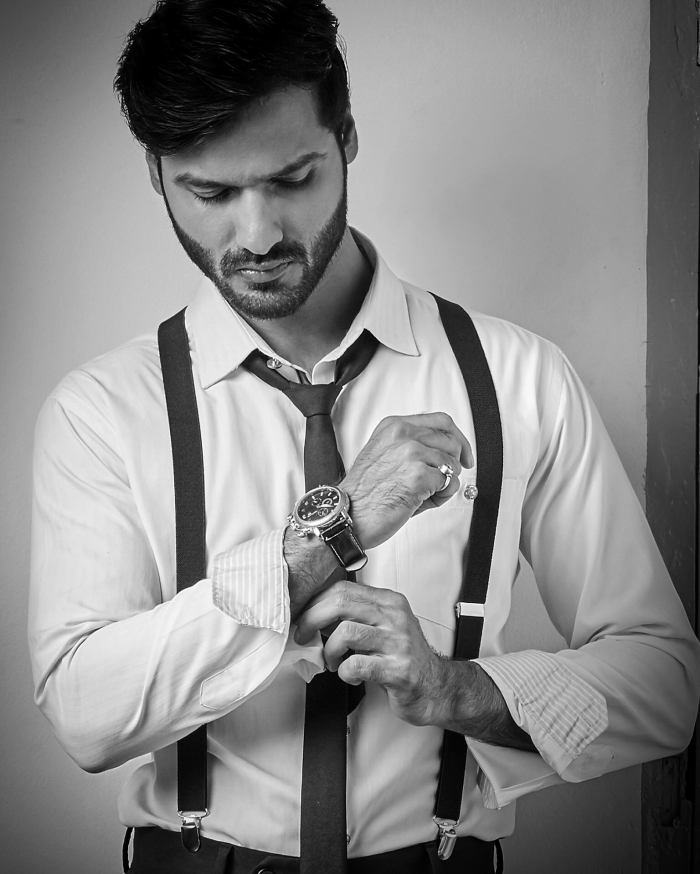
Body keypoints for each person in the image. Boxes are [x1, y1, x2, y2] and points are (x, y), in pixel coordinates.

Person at [28, 1, 700, 873]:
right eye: (212, 193)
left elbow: (664, 687)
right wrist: (327, 538)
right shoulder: (101, 411)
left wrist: (460, 690)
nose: (259, 234)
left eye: (292, 177)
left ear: (346, 136)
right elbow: (84, 714)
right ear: (157, 174)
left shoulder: (520, 378)